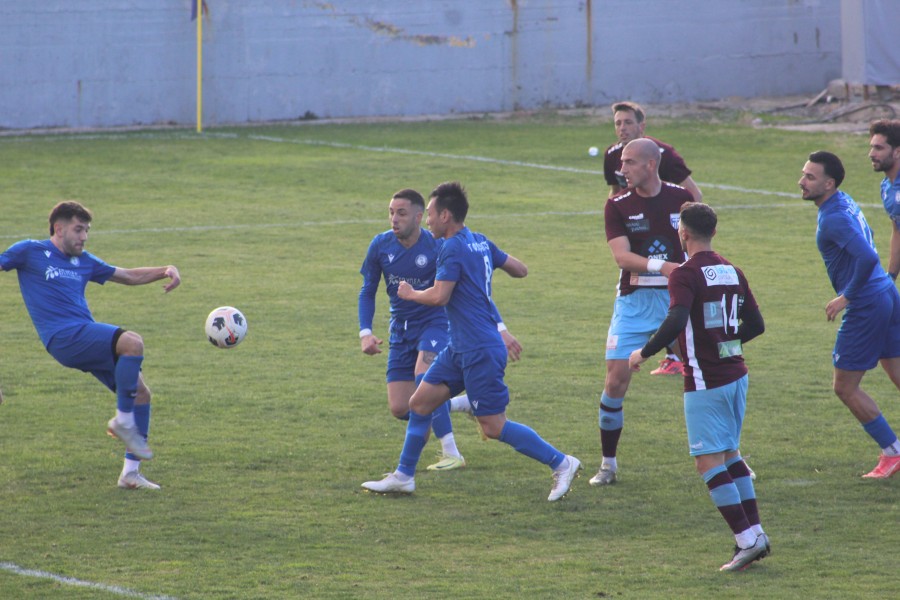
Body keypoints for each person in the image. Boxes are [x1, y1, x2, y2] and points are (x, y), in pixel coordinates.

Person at [361, 182, 581, 501]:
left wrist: (410, 293)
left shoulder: (451, 247)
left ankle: (561, 462)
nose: (429, 222)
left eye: (432, 215)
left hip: (479, 347)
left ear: (446, 215)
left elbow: (439, 296)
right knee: (419, 403)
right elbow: (520, 270)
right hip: (459, 347)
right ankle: (404, 476)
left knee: (492, 426)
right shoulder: (479, 240)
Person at [0, 201, 181, 490]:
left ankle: (130, 474)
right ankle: (122, 422)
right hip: (62, 338)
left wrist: (165, 270)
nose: (84, 237)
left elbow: (128, 275)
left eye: (87, 231)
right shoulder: (30, 251)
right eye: (78, 229)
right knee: (132, 342)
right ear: (58, 229)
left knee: (141, 394)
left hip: (84, 335)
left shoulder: (84, 261)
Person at [628, 202, 769, 571]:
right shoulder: (732, 270)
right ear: (714, 233)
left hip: (706, 380)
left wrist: (642, 353)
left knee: (708, 461)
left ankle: (745, 541)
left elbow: (676, 319)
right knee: (730, 455)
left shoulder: (685, 274)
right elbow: (756, 325)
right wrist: (726, 343)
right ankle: (757, 534)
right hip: (736, 374)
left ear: (683, 233)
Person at [358, 188, 522, 470]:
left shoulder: (439, 246)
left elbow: (475, 292)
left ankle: (450, 453)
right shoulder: (381, 245)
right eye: (391, 212)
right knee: (401, 407)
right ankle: (462, 405)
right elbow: (367, 290)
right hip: (401, 330)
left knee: (423, 379)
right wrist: (365, 332)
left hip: (435, 324)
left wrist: (501, 328)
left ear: (420, 217)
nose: (394, 219)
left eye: (401, 213)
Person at [592, 138, 696, 486]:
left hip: (677, 299)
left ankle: (730, 456)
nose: (622, 169)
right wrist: (663, 266)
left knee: (706, 376)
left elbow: (698, 246)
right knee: (616, 379)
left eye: (630, 162)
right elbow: (621, 257)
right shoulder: (617, 205)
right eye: (622, 162)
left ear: (651, 165)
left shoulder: (680, 200)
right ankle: (608, 464)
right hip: (635, 302)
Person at [800, 150, 900, 478]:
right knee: (897, 373)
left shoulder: (834, 218)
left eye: (810, 177)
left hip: (868, 302)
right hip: (886, 292)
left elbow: (867, 257)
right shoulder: (842, 201)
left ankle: (892, 452)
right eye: (804, 174)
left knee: (845, 387)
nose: (802, 181)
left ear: (829, 184)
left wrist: (846, 297)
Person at [602, 100, 703, 376]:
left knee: (702, 362)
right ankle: (672, 354)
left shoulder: (665, 156)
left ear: (641, 126)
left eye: (628, 123)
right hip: (637, 285)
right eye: (618, 123)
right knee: (615, 377)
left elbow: (694, 198)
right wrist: (619, 217)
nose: (622, 129)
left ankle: (676, 357)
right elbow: (614, 192)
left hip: (670, 264)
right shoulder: (612, 155)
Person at [868, 119, 900, 281]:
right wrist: (891, 277)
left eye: (879, 148)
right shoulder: (886, 187)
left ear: (897, 152)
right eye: (872, 147)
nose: (871, 154)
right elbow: (898, 231)